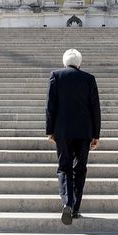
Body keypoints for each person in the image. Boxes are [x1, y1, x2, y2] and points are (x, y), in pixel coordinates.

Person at [46, 48, 100, 225]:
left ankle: (67, 202)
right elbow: (95, 109)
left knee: (64, 168)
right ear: (80, 63)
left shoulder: (56, 75)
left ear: (64, 62)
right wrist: (96, 134)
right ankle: (75, 208)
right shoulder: (89, 79)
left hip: (62, 131)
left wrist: (50, 130)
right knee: (80, 168)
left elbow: (50, 106)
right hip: (84, 131)